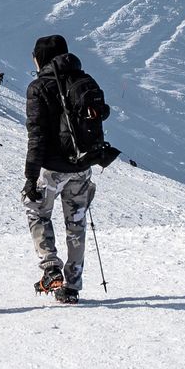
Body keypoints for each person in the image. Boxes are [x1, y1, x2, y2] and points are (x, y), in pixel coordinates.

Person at [22, 35, 115, 305]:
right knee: (76, 224)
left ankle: (51, 268)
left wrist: (30, 177)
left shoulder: (39, 87)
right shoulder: (84, 81)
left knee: (36, 210)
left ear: (41, 58)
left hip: (52, 169)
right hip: (83, 165)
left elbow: (36, 136)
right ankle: (72, 287)